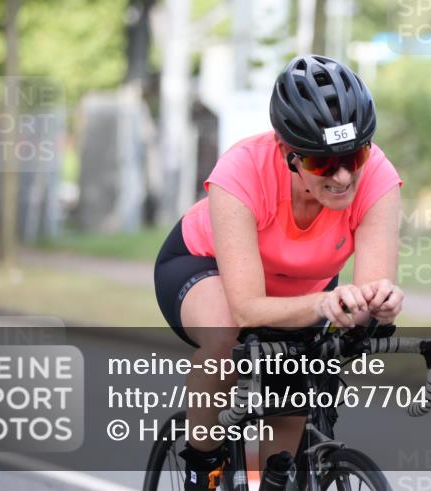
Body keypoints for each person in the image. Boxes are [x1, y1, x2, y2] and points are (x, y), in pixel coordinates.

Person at [153, 55, 405, 490]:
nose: (343, 176)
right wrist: (325, 303)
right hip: (203, 267)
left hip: (303, 290)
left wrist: (379, 305)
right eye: (322, 164)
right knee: (227, 337)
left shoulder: (377, 177)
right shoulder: (241, 170)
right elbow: (248, 309)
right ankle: (201, 466)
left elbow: (367, 294)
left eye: (355, 155)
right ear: (289, 154)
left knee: (286, 437)